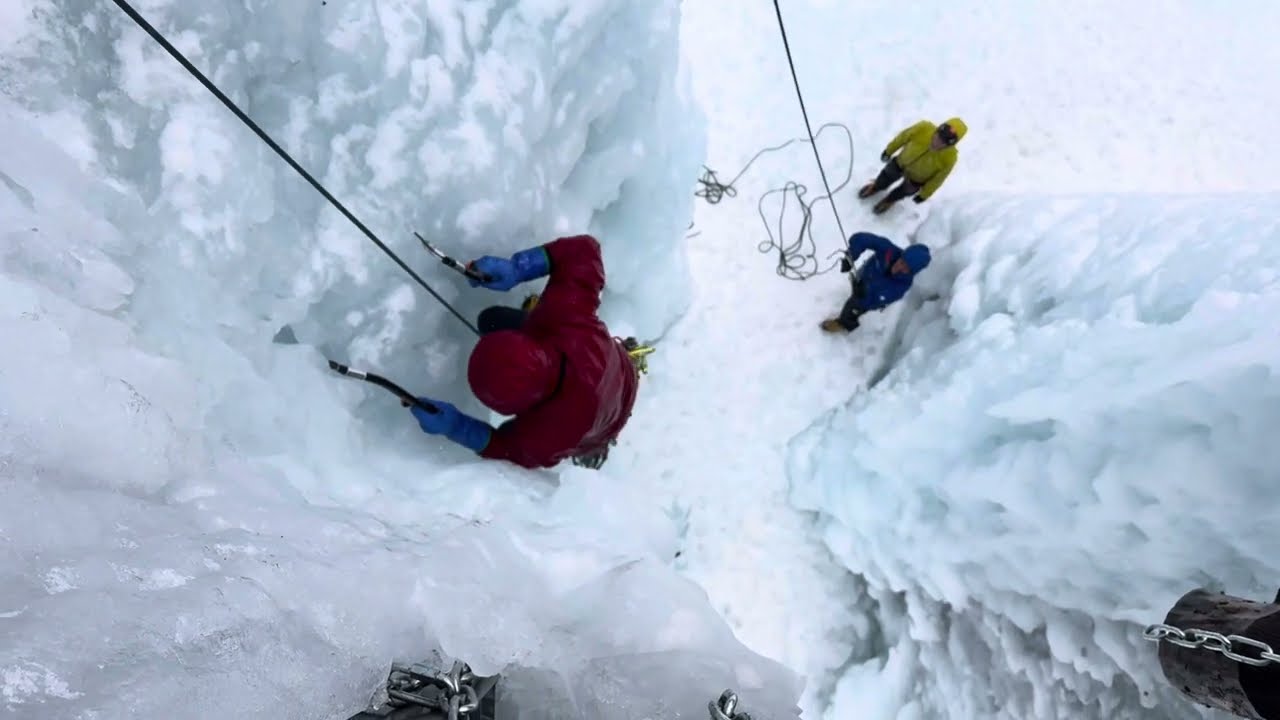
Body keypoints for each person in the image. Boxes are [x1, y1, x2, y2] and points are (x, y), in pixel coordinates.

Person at [406, 234, 640, 470]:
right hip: (607, 364)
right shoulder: (567, 316)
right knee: (491, 320)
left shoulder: (549, 435)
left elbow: (508, 449)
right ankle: (628, 362)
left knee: (589, 433)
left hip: (601, 422)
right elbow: (583, 252)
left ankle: (598, 446)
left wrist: (456, 427)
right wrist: (517, 269)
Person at [820, 231, 931, 333]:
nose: (899, 267)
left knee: (853, 307)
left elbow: (878, 300)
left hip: (867, 298)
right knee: (855, 298)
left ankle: (845, 324)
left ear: (912, 272)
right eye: (902, 261)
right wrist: (852, 255)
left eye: (906, 268)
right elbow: (862, 238)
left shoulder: (902, 286)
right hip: (863, 277)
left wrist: (862, 293)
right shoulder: (889, 251)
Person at [858, 117, 967, 215]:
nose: (937, 143)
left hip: (917, 179)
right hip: (901, 162)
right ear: (937, 130)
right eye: (938, 136)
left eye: (944, 143)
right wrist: (889, 151)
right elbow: (902, 137)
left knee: (903, 191)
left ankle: (889, 200)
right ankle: (876, 187)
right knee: (885, 176)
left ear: (950, 145)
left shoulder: (950, 158)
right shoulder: (924, 128)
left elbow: (939, 179)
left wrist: (924, 194)